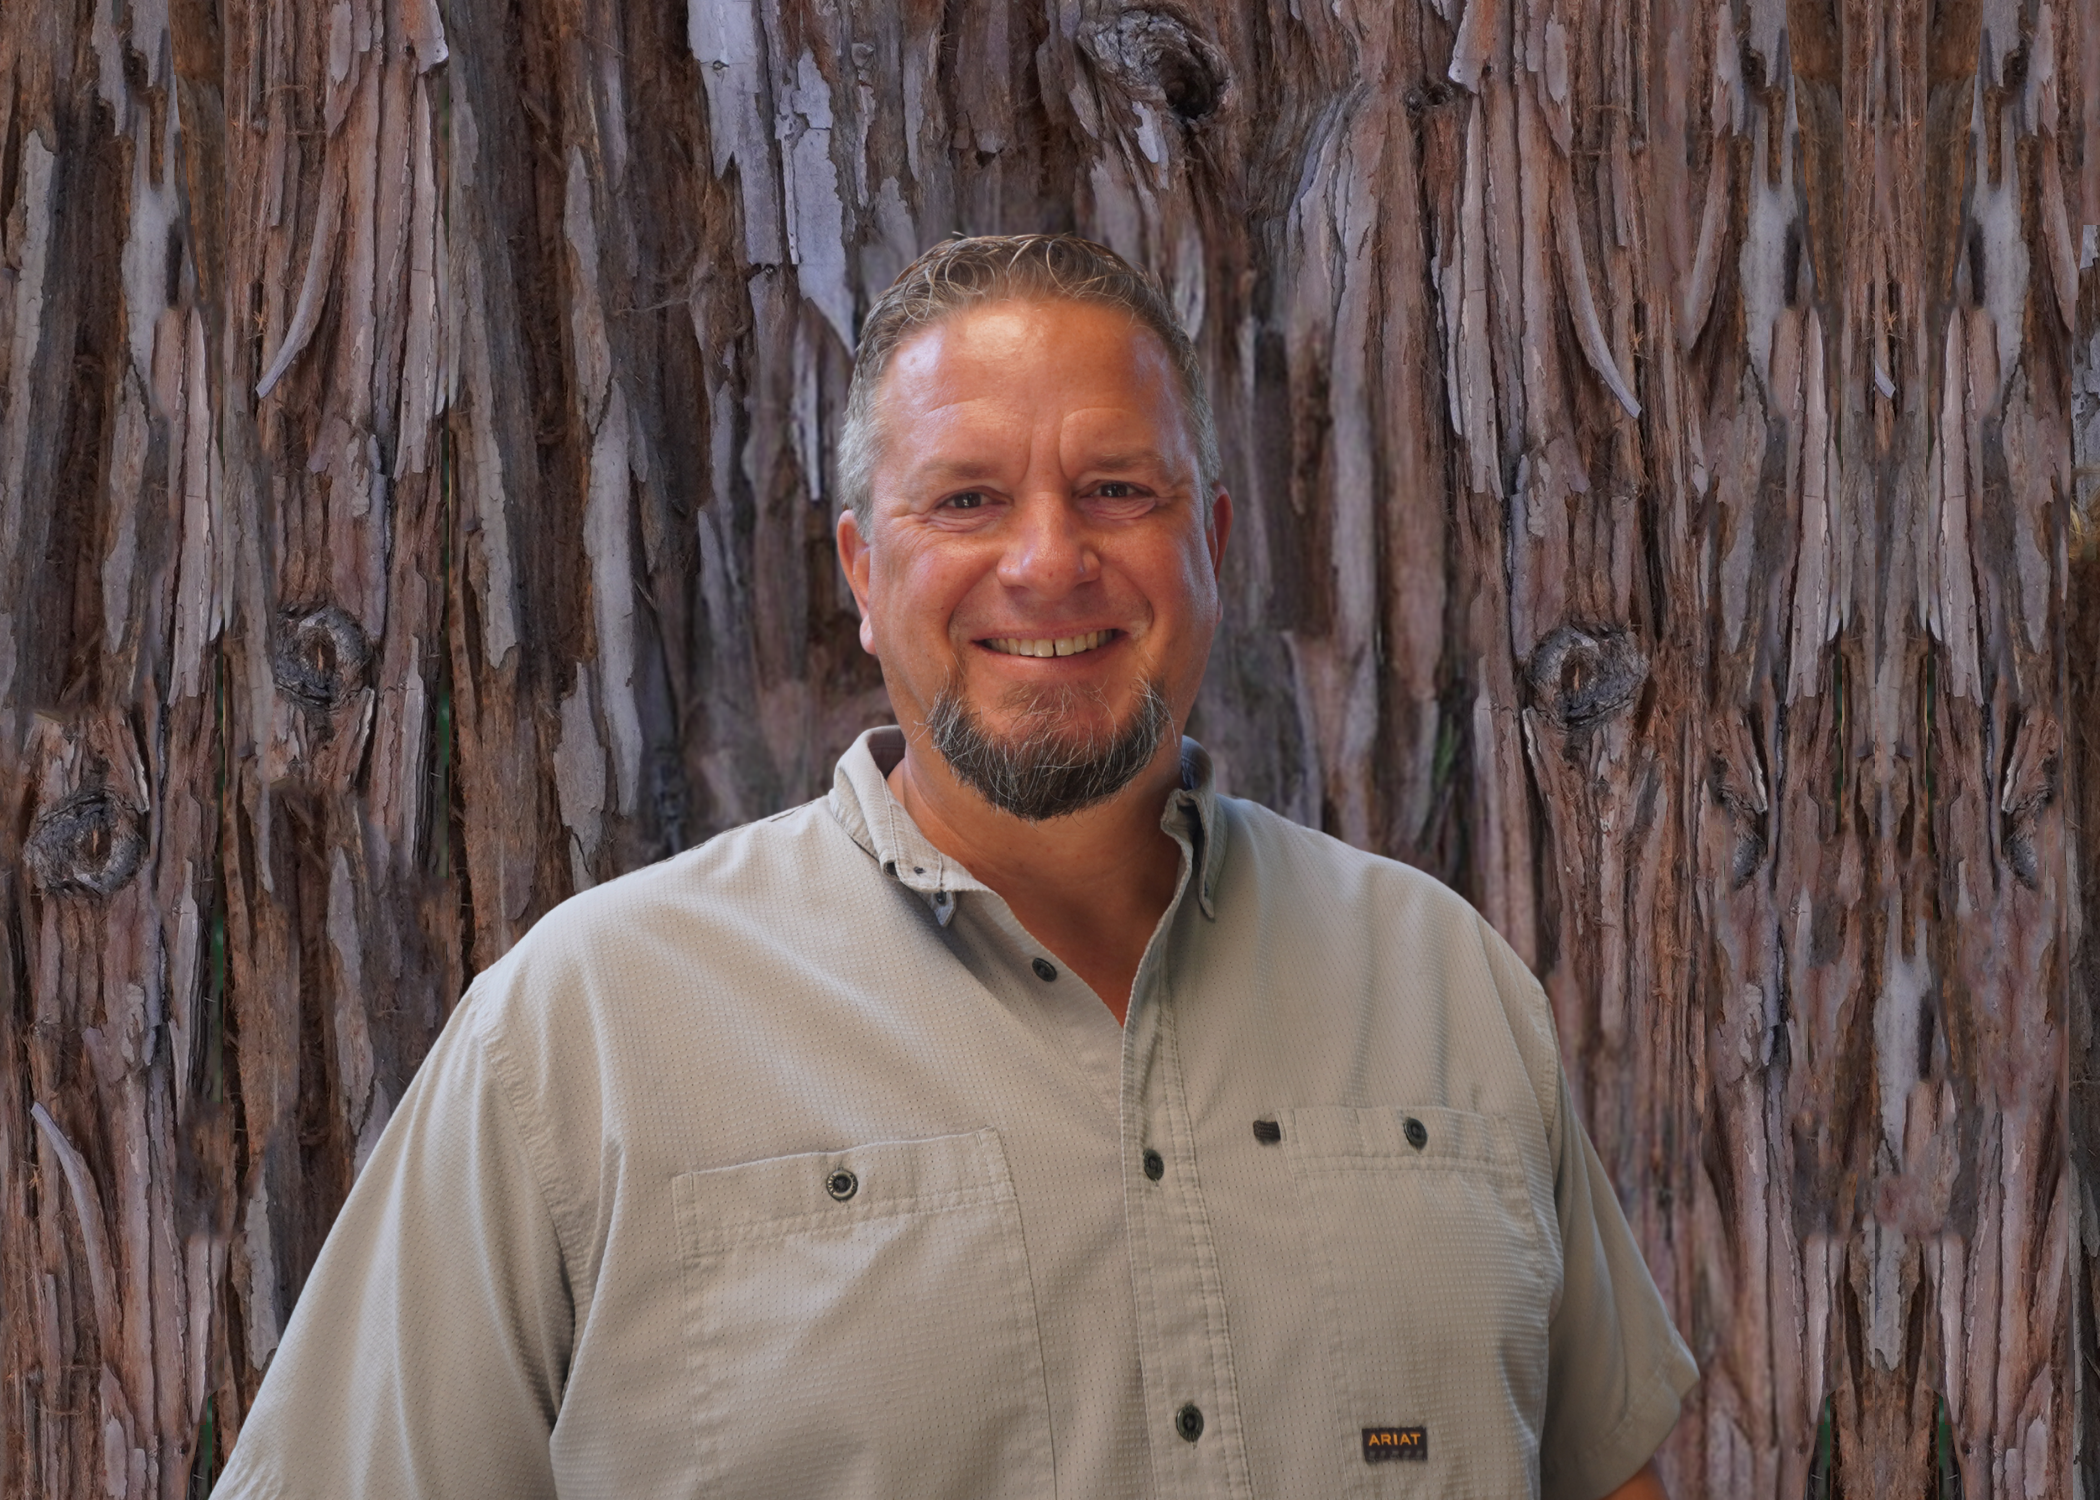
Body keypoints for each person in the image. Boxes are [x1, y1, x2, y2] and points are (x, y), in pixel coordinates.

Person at [215, 234, 1696, 1499]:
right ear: (864, 574)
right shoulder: (580, 1034)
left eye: (1119, 489)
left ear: (1213, 549)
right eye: (968, 499)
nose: (1049, 562)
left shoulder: (1443, 982)